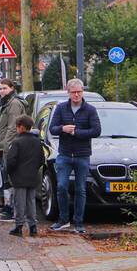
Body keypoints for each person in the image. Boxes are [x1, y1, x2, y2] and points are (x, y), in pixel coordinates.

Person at [48, 79, 101, 234]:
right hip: (64, 154)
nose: (77, 95)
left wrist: (77, 132)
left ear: (82, 91)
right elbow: (52, 129)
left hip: (82, 155)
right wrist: (63, 128)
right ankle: (63, 219)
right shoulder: (60, 108)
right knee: (62, 186)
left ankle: (79, 222)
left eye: (79, 92)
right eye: (74, 92)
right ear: (68, 92)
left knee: (80, 189)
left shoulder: (90, 109)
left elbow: (96, 131)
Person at [5, 115, 42, 237]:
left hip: (19, 177)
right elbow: (41, 159)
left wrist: (9, 172)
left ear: (20, 127)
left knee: (19, 202)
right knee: (31, 201)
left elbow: (11, 160)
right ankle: (33, 226)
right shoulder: (37, 141)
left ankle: (19, 225)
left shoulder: (17, 142)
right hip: (32, 175)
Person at [0, 78, 27, 220]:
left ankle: (13, 209)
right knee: (6, 178)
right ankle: (10, 207)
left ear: (12, 88)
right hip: (5, 145)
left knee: (11, 178)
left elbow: (13, 127)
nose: (2, 91)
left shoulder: (13, 104)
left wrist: (5, 147)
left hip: (11, 147)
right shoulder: (6, 103)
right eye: (0, 88)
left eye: (4, 88)